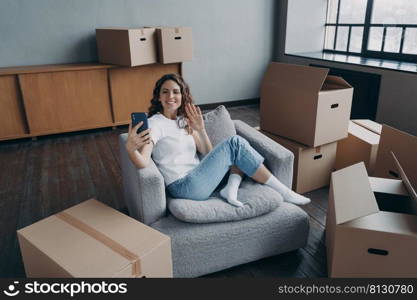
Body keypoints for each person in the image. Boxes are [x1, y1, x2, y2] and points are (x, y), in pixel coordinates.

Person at [125, 74, 310, 207]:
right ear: (159, 96)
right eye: (165, 92)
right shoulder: (154, 124)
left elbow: (207, 152)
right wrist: (131, 149)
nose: (171, 97)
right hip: (184, 186)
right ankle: (285, 192)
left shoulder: (184, 121)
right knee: (235, 144)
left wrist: (200, 129)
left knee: (239, 153)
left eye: (176, 92)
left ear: (182, 96)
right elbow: (142, 162)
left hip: (199, 176)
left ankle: (230, 189)